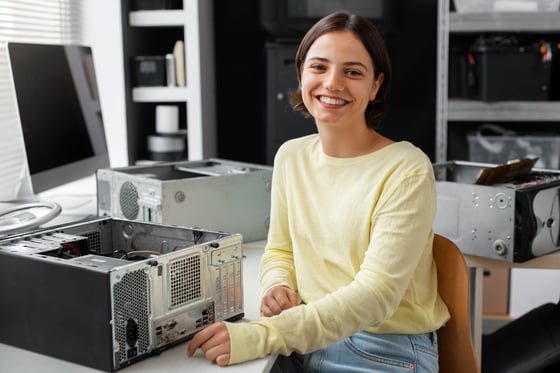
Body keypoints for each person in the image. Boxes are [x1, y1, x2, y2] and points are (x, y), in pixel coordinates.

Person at [188, 10, 450, 372]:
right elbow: (280, 248)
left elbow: (376, 296)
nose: (332, 83)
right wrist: (277, 286)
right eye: (319, 67)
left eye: (353, 72)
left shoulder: (406, 169)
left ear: (376, 86)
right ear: (300, 74)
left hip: (383, 349)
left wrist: (261, 335)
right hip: (304, 338)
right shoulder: (291, 156)